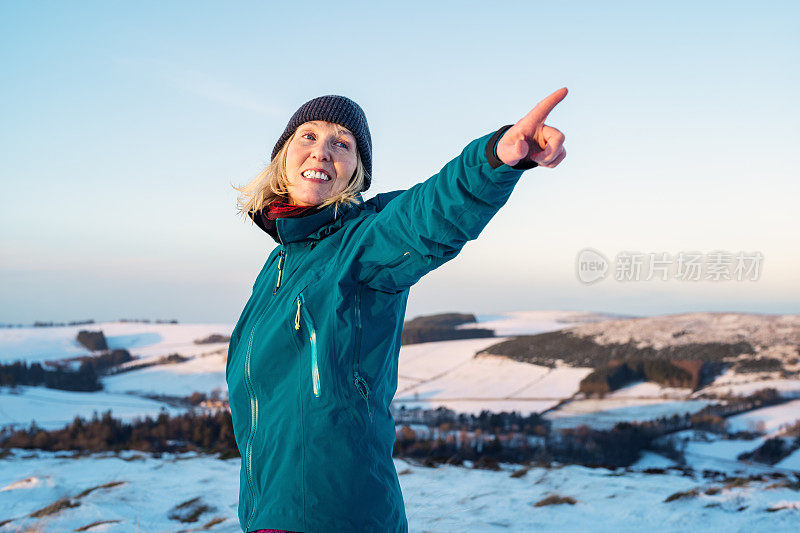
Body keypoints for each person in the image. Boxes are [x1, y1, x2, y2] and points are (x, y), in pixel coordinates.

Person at [227, 90, 567, 533]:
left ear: (357, 173)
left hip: (335, 514)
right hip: (267, 509)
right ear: (283, 156)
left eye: (342, 143)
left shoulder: (363, 243)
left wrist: (495, 159)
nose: (322, 151)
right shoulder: (278, 265)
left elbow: (427, 216)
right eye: (307, 136)